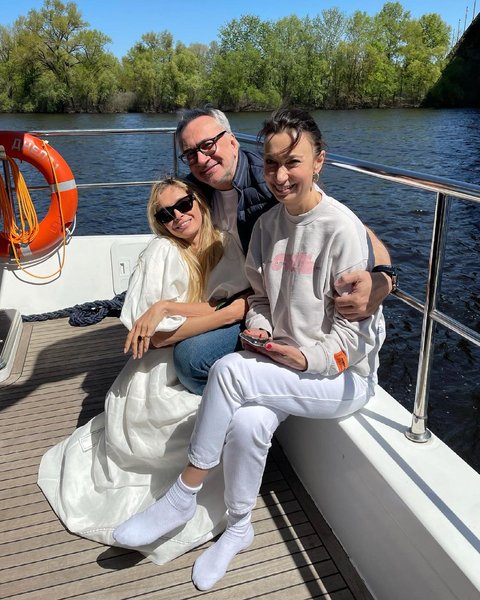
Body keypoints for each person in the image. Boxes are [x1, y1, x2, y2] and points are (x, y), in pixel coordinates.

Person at [113, 108, 386, 590]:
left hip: (343, 375)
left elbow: (358, 337)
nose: (280, 176)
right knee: (246, 423)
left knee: (228, 373)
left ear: (319, 161)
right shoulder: (266, 227)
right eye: (273, 164)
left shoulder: (340, 229)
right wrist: (260, 331)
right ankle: (239, 527)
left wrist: (310, 358)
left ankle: (182, 495)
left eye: (293, 163)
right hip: (286, 361)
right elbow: (259, 299)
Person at [37, 177, 251, 565]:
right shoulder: (162, 252)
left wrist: (171, 307)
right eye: (165, 214)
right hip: (164, 359)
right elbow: (158, 339)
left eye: (183, 204)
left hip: (197, 344)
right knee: (157, 410)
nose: (178, 216)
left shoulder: (226, 243)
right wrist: (221, 313)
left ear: (199, 201)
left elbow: (228, 302)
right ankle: (178, 498)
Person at [173, 106, 395, 395]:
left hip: (257, 301)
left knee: (190, 360)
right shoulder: (194, 190)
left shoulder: (272, 181)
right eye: (191, 154)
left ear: (232, 141)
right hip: (242, 298)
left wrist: (385, 277)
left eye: (208, 145)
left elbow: (346, 227)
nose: (202, 159)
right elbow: (164, 224)